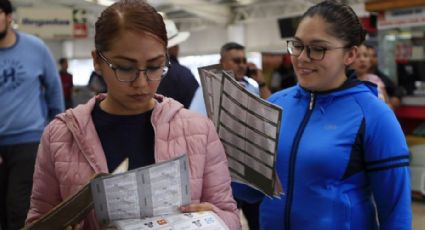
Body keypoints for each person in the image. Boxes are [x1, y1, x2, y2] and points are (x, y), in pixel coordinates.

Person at [25, 1, 240, 230]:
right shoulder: (61, 135)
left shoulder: (197, 129)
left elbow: (229, 214)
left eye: (155, 67)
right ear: (97, 61)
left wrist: (214, 219)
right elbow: (39, 217)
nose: (141, 83)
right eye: (125, 68)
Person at [261, 1, 411, 229]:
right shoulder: (274, 105)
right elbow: (247, 191)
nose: (302, 57)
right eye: (298, 45)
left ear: (350, 54)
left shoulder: (374, 115)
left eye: (318, 48)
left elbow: (395, 212)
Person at [0, 0, 64, 229]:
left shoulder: (35, 48)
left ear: (8, 16)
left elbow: (54, 89)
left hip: (28, 141)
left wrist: (58, 129)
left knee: (18, 207)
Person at [220, 42, 270, 230]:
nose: (241, 64)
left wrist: (261, 82)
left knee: (258, 222)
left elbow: (273, 109)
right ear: (222, 62)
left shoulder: (253, 87)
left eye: (244, 60)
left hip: (253, 170)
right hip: (226, 171)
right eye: (236, 60)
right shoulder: (209, 90)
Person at [156, 19, 199, 109]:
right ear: (174, 47)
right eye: (177, 45)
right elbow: (197, 105)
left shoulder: (145, 72)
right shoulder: (182, 73)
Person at [367, 44, 403, 110]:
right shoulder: (352, 79)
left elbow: (396, 88)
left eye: (374, 56)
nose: (371, 59)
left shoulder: (378, 77)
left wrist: (396, 97)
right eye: (367, 56)